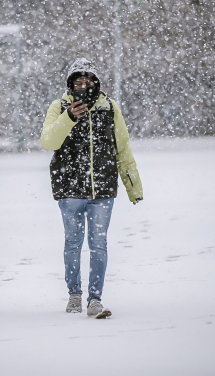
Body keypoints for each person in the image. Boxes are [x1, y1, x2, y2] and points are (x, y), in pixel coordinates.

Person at [40, 58, 143, 319]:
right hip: (70, 190)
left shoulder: (109, 107)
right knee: (73, 244)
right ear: (70, 84)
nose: (83, 86)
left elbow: (123, 148)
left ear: (96, 83)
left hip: (102, 191)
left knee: (99, 245)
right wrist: (69, 117)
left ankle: (94, 299)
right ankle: (74, 295)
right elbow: (48, 140)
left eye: (88, 81)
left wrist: (133, 187)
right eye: (78, 82)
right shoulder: (59, 106)